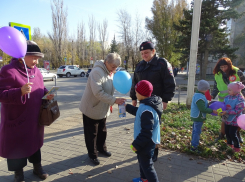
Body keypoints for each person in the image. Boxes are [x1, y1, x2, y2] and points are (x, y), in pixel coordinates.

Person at [0, 41, 54, 182]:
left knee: (35, 144)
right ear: (22, 56)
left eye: (38, 58)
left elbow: (40, 88)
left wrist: (47, 94)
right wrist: (20, 91)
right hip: (17, 119)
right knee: (16, 148)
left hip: (34, 118)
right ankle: (18, 174)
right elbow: (1, 94)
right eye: (34, 57)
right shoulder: (8, 70)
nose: (36, 61)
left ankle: (37, 168)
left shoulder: (36, 71)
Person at [130, 41, 176, 162]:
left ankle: (153, 151)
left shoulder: (162, 64)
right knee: (143, 125)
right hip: (143, 102)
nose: (144, 55)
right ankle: (143, 148)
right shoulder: (139, 66)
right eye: (142, 53)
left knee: (154, 127)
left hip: (156, 102)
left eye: (146, 52)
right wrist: (133, 98)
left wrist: (166, 99)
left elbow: (169, 83)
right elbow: (134, 83)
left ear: (153, 51)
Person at [79, 53, 125, 165]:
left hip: (103, 108)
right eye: (113, 67)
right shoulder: (97, 72)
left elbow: (109, 89)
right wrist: (114, 100)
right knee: (92, 134)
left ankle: (102, 149)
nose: (115, 70)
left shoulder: (110, 72)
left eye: (116, 67)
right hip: (91, 108)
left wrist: (110, 104)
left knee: (102, 131)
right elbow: (98, 92)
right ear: (106, 62)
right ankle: (93, 155)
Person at [126, 80, 162, 182]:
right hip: (144, 142)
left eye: (136, 92)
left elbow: (147, 131)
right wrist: (126, 107)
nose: (136, 94)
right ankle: (144, 179)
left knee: (147, 166)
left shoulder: (147, 110)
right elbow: (138, 112)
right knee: (142, 162)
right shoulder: (147, 103)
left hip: (146, 142)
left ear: (141, 93)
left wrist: (137, 144)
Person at [211, 57, 245, 143]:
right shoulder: (217, 74)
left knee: (237, 117)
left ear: (229, 65)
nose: (223, 69)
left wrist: (243, 97)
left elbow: (244, 84)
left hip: (237, 100)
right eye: (221, 67)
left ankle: (237, 133)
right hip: (224, 101)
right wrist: (212, 95)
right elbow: (216, 87)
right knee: (224, 118)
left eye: (225, 67)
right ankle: (222, 134)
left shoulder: (237, 72)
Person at [190, 80, 218, 153]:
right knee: (197, 131)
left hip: (195, 116)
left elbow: (203, 105)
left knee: (195, 130)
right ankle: (194, 147)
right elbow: (202, 109)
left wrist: (208, 104)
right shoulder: (200, 97)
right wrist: (212, 111)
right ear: (206, 89)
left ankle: (193, 143)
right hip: (198, 116)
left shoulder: (198, 94)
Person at [220, 82, 245, 152]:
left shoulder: (240, 99)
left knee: (232, 133)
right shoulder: (227, 97)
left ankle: (237, 147)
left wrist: (227, 112)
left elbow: (238, 111)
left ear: (236, 91)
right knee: (227, 132)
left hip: (235, 120)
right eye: (228, 90)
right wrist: (220, 109)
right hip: (227, 118)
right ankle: (229, 144)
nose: (228, 91)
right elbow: (223, 105)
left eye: (230, 90)